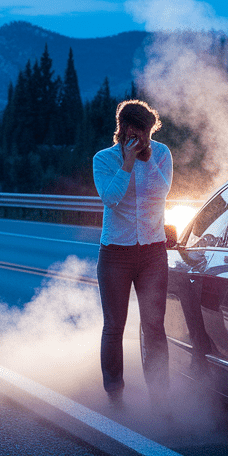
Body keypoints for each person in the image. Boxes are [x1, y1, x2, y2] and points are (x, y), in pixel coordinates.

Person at [92, 99, 172, 405]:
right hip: (115, 253)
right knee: (114, 326)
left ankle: (161, 397)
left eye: (150, 132)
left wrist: (146, 158)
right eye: (140, 132)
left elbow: (162, 192)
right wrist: (127, 162)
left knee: (154, 326)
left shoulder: (161, 154)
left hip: (153, 252)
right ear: (125, 129)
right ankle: (115, 392)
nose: (146, 138)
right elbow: (111, 198)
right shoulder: (103, 159)